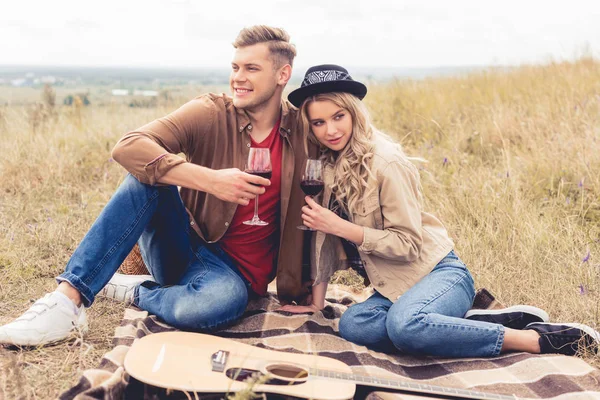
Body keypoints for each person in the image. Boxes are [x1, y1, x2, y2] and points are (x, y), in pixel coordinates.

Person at [0, 25, 312, 347]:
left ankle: (136, 290)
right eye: (235, 67)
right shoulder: (210, 113)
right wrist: (210, 180)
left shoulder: (302, 129)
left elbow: (351, 143)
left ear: (282, 74)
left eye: (251, 68)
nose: (238, 78)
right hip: (183, 247)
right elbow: (129, 145)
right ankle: (67, 301)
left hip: (234, 277)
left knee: (218, 303)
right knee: (145, 177)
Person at [278, 64, 600, 358]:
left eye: (338, 117)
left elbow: (407, 245)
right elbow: (324, 239)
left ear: (354, 114)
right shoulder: (327, 165)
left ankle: (535, 339)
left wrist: (342, 228)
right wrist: (317, 303)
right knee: (354, 326)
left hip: (438, 273)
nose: (330, 130)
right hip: (395, 288)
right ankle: (465, 322)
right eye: (318, 122)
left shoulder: (386, 162)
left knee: (405, 328)